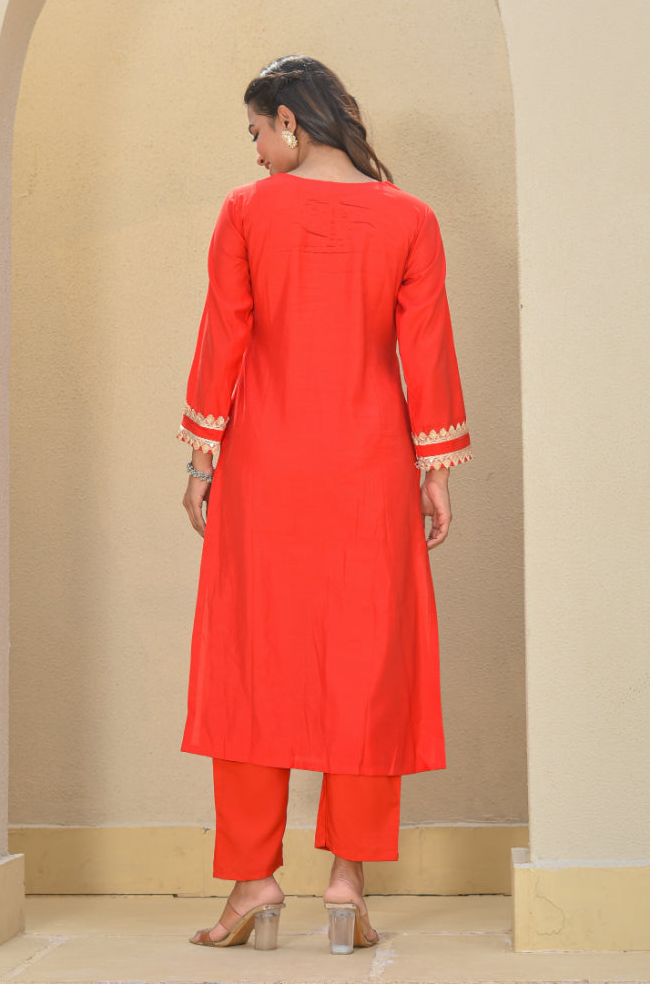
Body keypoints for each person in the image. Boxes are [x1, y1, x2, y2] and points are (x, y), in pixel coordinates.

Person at [178, 56, 471, 953]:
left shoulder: (245, 212)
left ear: (290, 124)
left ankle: (253, 884)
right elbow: (426, 352)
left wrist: (201, 455)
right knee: (365, 670)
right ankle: (346, 884)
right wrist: (437, 468)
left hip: (264, 472)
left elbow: (224, 331)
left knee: (250, 665)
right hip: (369, 474)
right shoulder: (412, 219)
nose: (260, 151)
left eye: (260, 133)